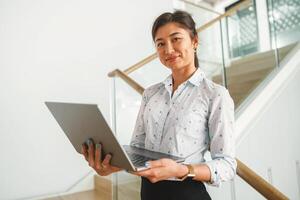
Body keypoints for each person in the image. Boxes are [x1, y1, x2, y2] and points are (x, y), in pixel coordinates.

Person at [81, 10, 236, 200]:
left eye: (176, 39)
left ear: (195, 41)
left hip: (187, 193)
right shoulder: (150, 94)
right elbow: (137, 147)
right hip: (148, 193)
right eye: (160, 44)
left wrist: (181, 170)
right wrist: (111, 166)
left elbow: (227, 165)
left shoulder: (215, 94)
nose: (168, 50)